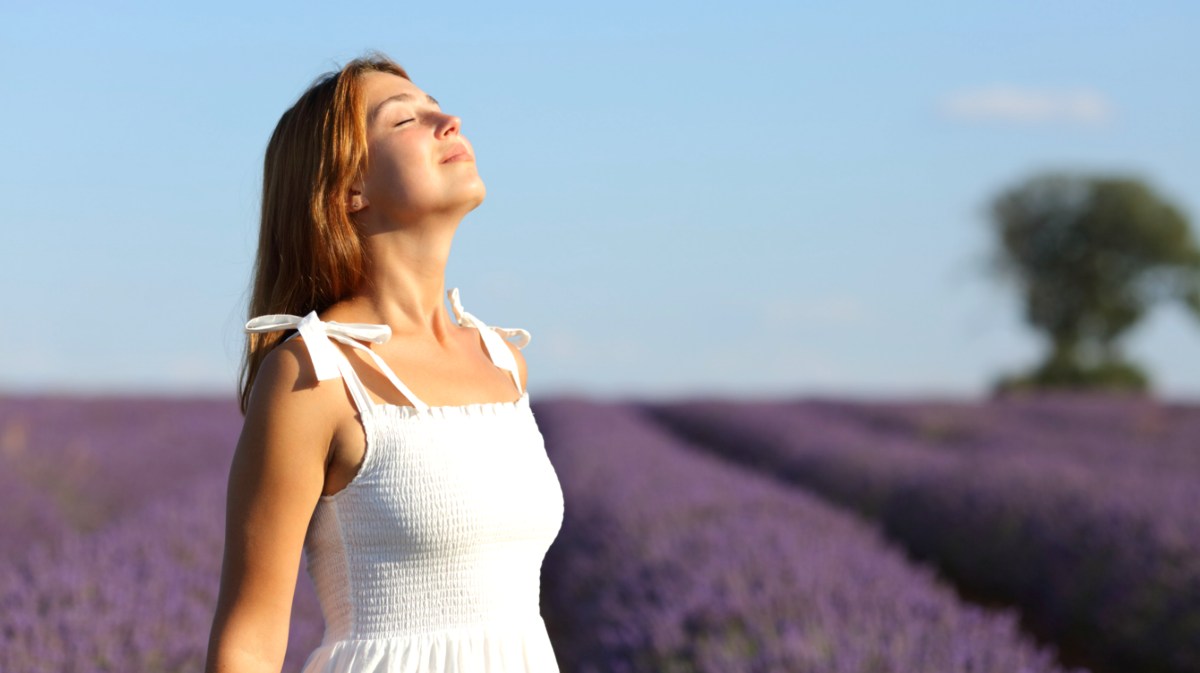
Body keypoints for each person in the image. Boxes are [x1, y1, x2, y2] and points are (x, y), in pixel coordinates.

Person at [204, 51, 565, 673]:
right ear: (349, 190)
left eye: (437, 107)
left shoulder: (502, 363)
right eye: (405, 120)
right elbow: (249, 642)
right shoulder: (314, 376)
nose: (448, 120)